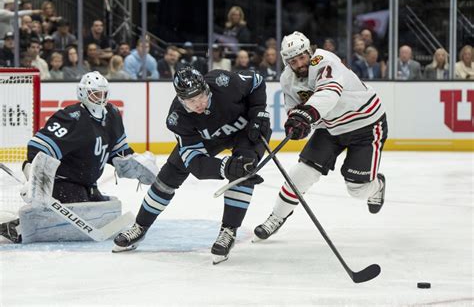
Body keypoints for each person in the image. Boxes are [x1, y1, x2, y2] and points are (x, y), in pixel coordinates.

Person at [113, 66, 271, 264]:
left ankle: (229, 230)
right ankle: (140, 226)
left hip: (247, 129)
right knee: (171, 173)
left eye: (201, 97)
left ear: (207, 89)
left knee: (243, 168)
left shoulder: (224, 81)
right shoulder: (178, 118)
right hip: (211, 138)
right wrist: (225, 167)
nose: (198, 104)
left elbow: (256, 80)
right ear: (181, 99)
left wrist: (258, 112)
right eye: (190, 101)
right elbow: (195, 164)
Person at [253, 31, 387, 241]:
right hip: (331, 128)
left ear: (309, 52)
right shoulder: (287, 79)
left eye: (302, 57)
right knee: (300, 174)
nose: (299, 64)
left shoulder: (325, 60)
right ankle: (276, 217)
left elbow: (329, 93)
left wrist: (307, 115)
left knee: (357, 189)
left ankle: (377, 185)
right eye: (293, 61)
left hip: (366, 124)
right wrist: (297, 126)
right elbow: (294, 109)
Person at [0, 71, 158, 244]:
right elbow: (38, 148)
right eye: (96, 94)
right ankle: (15, 228)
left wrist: (133, 164)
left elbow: (118, 152)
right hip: (61, 182)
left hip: (87, 184)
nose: (101, 98)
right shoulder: (71, 118)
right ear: (83, 93)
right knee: (80, 205)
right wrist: (34, 179)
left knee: (103, 208)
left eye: (104, 94)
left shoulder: (112, 114)